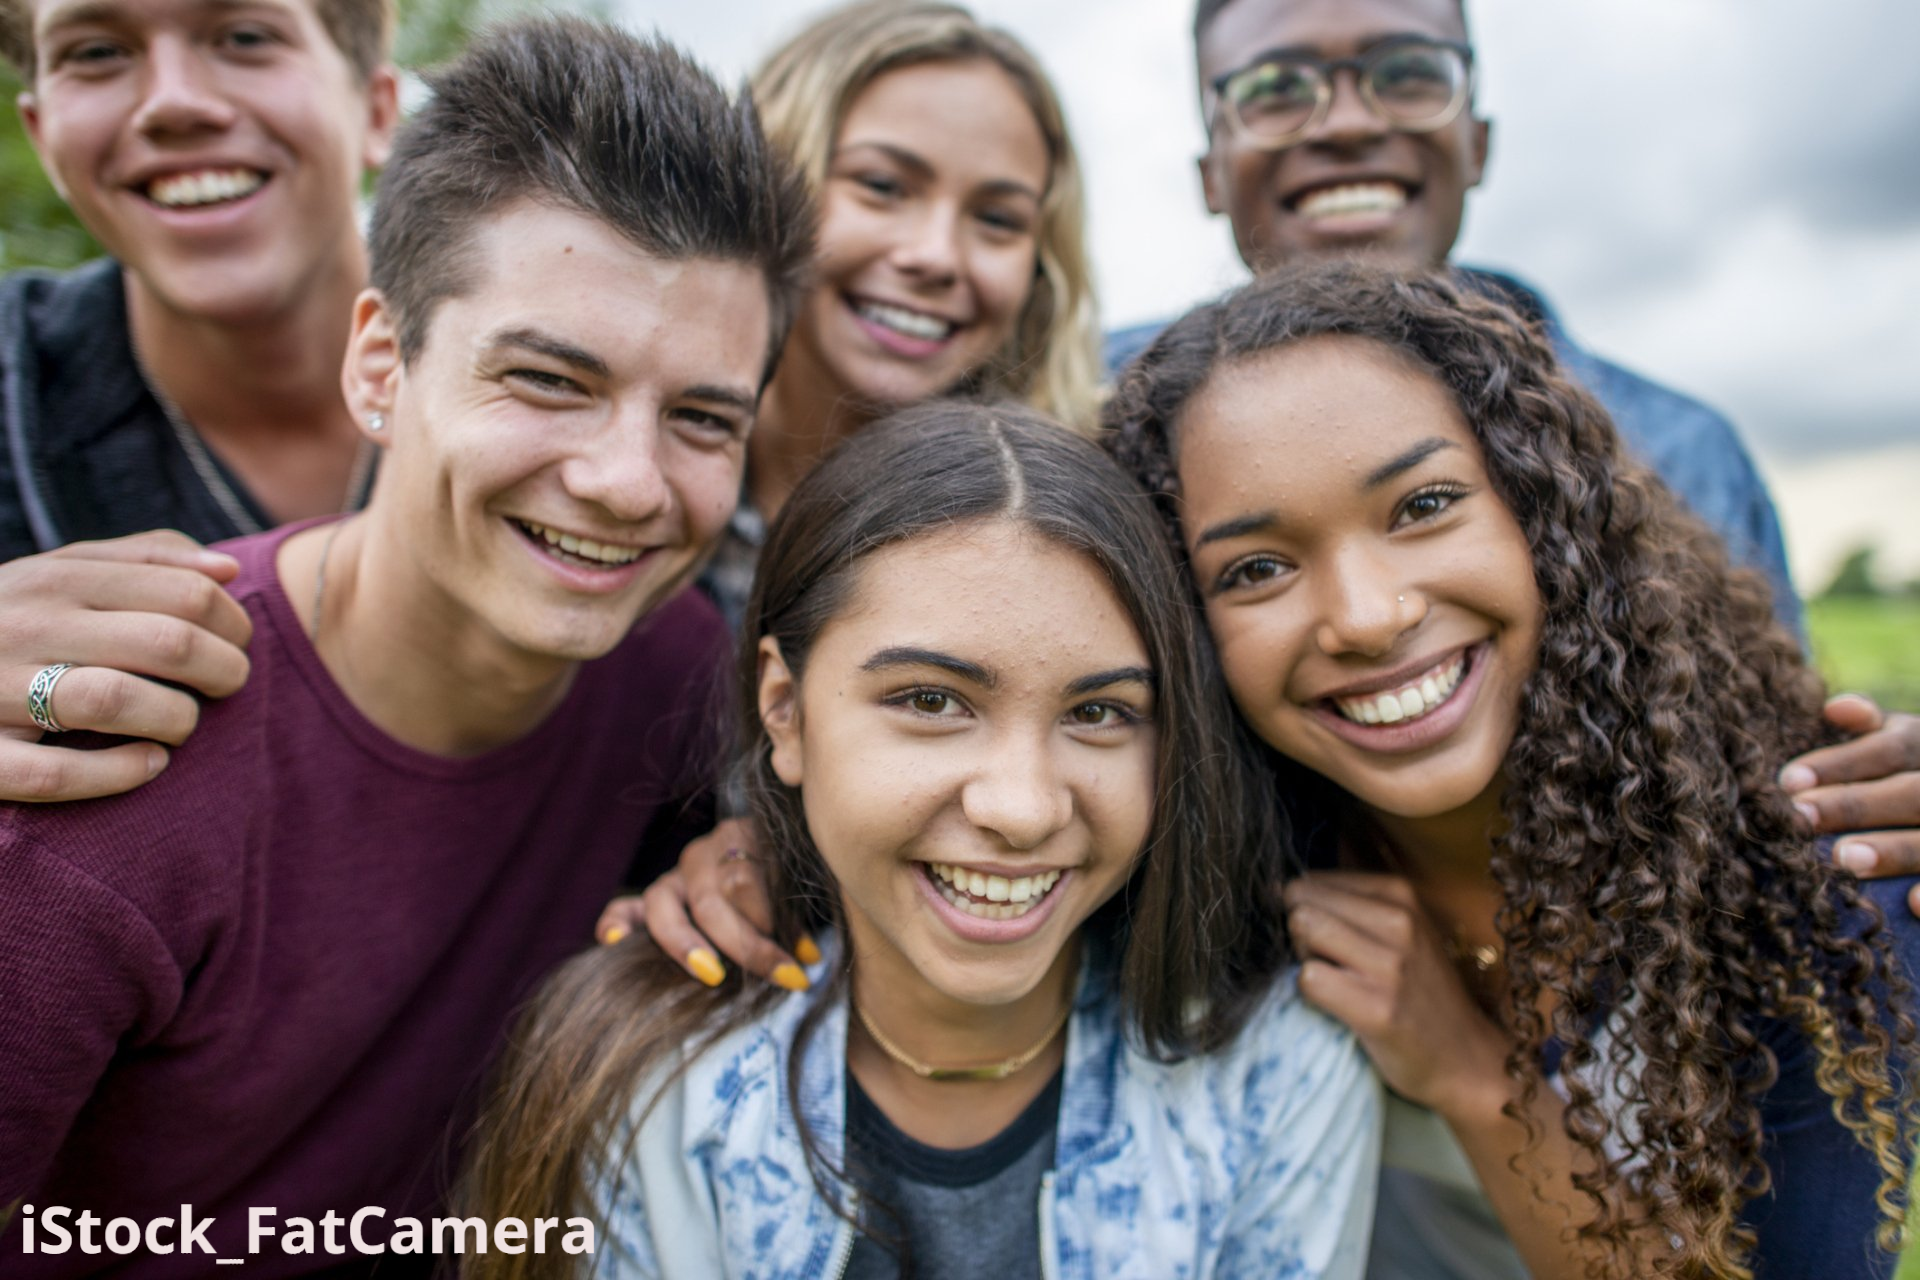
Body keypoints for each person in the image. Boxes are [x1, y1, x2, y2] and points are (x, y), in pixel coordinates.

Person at [0, 17, 811, 1274]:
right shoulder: (115, 764)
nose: (626, 482)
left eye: (702, 416)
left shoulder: (674, 677)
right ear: (382, 365)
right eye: (548, 379)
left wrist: (754, 859)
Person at [1103, 260, 1918, 1279]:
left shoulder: (1812, 885)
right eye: (1256, 569)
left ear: (1543, 508)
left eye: (1425, 503)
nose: (1367, 615)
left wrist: (1470, 1073)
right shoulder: (1211, 873)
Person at [463, 404, 1382, 1280]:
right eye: (932, 703)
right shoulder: (648, 1079)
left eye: (1099, 713)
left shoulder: (1276, 1081)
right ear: (784, 710)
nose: (1021, 810)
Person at [0, 0, 399, 799]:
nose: (174, 101)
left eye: (246, 36)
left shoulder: (569, 373)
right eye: (98, 51)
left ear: (376, 109)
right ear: (43, 138)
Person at [697, 0, 1101, 631]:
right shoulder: (637, 474)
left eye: (997, 219)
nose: (937, 256)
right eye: (882, 186)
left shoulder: (1078, 535)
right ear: (768, 181)